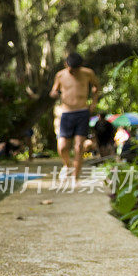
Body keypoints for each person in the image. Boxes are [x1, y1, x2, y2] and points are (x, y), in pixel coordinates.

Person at [49, 52, 100, 180]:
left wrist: (94, 103)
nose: (73, 73)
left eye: (75, 70)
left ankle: (75, 177)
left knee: (78, 146)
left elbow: (96, 87)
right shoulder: (60, 75)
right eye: (71, 70)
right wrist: (54, 94)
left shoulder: (88, 73)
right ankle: (67, 165)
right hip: (66, 113)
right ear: (66, 65)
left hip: (82, 112)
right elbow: (53, 91)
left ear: (81, 66)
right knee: (62, 147)